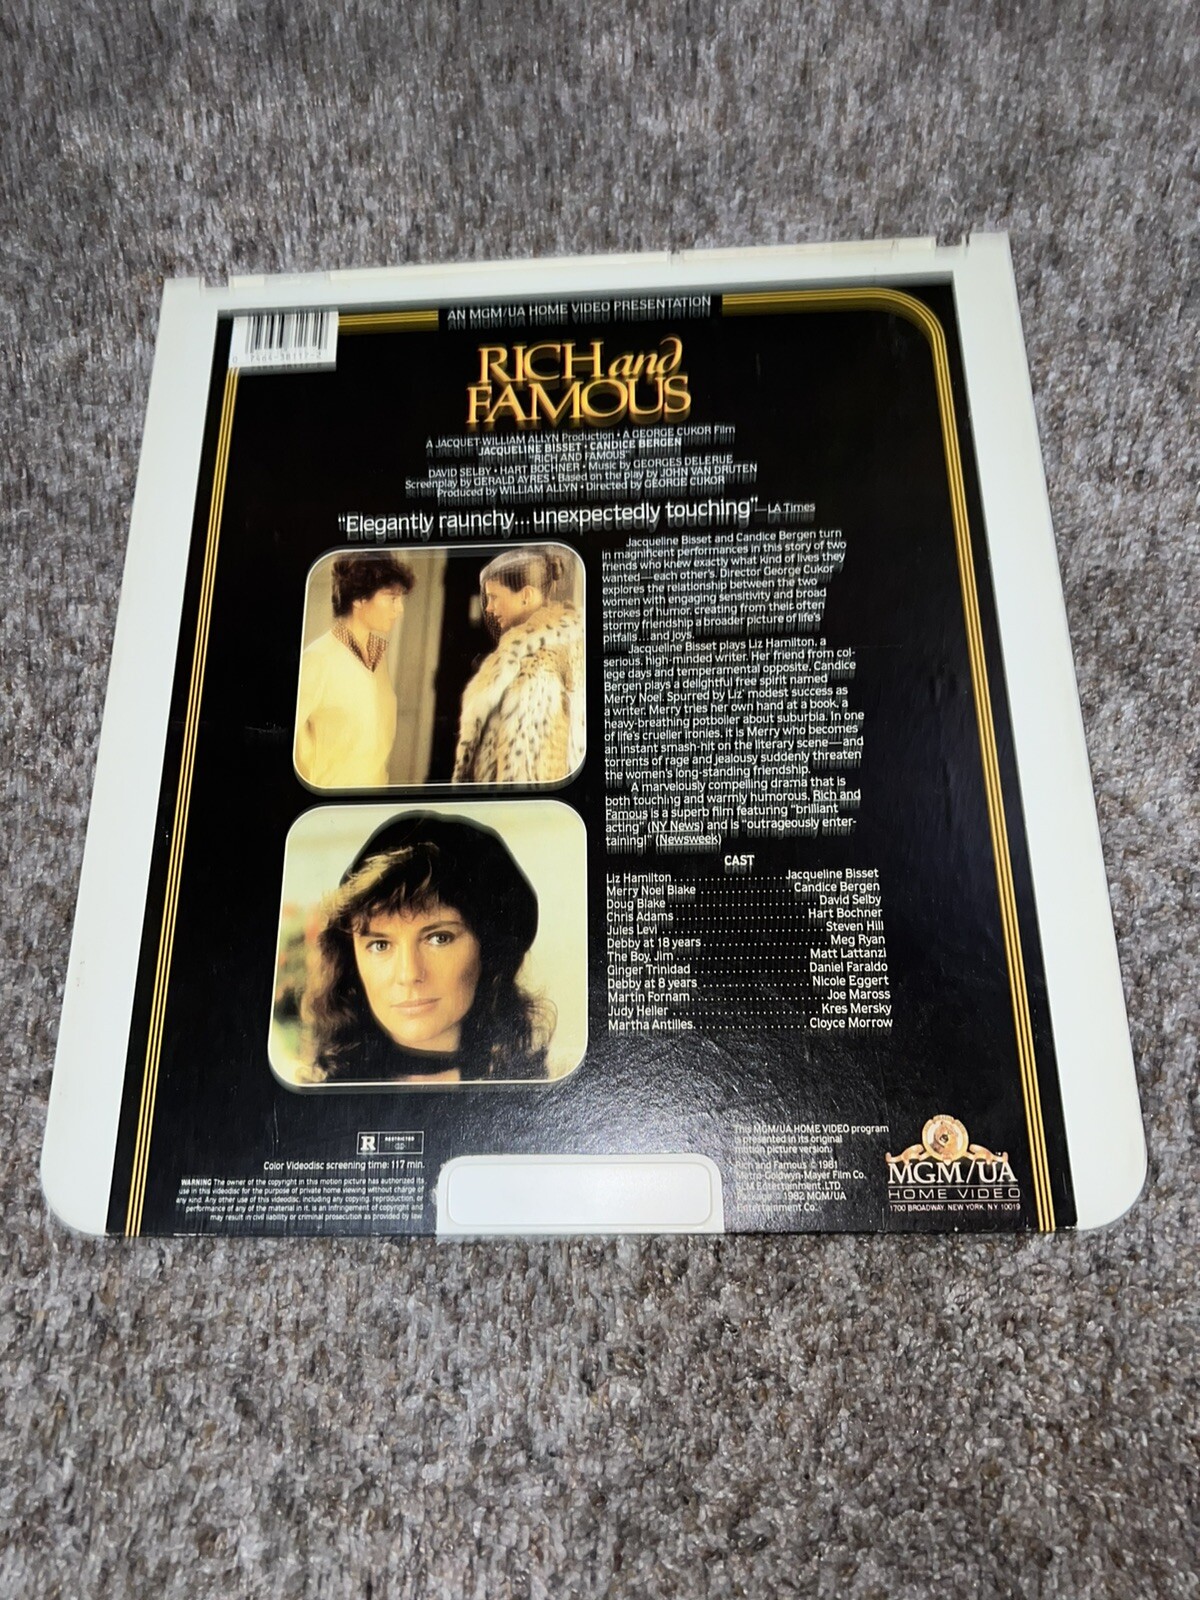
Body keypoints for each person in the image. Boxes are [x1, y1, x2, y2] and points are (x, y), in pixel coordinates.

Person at [300, 812, 553, 1084]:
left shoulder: (537, 1086)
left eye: (439, 939)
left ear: (489, 952)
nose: (409, 974)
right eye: (380, 945)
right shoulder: (315, 1094)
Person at [452, 547, 584, 785]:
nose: (489, 608)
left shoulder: (538, 667)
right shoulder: (538, 651)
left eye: (494, 597)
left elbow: (525, 772)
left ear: (526, 596)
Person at [294, 552, 414, 789]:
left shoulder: (378, 659)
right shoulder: (319, 659)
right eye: (392, 598)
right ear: (359, 599)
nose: (399, 609)